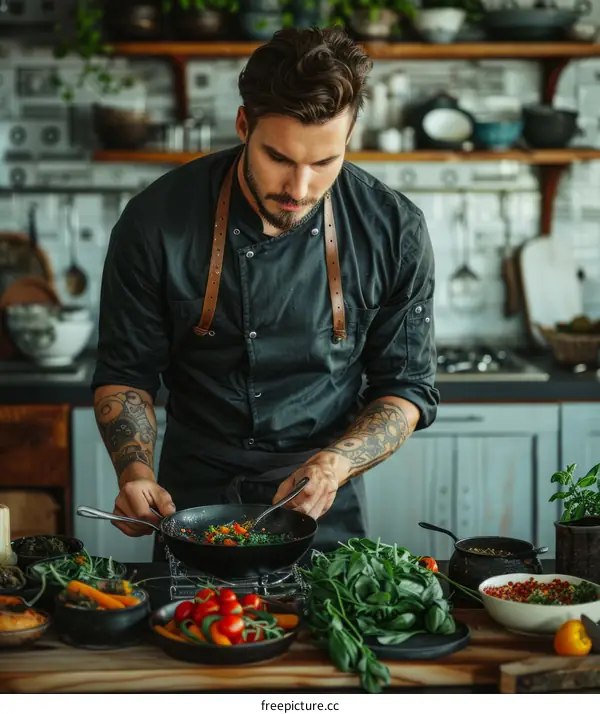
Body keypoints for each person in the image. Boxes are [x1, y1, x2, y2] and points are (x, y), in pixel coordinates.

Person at [92, 26, 439, 557]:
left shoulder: (393, 229)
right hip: (192, 497)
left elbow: (408, 387)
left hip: (319, 494)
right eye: (279, 158)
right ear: (242, 126)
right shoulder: (153, 222)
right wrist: (134, 472)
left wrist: (336, 463)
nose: (299, 189)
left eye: (324, 163)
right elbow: (125, 375)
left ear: (348, 141)